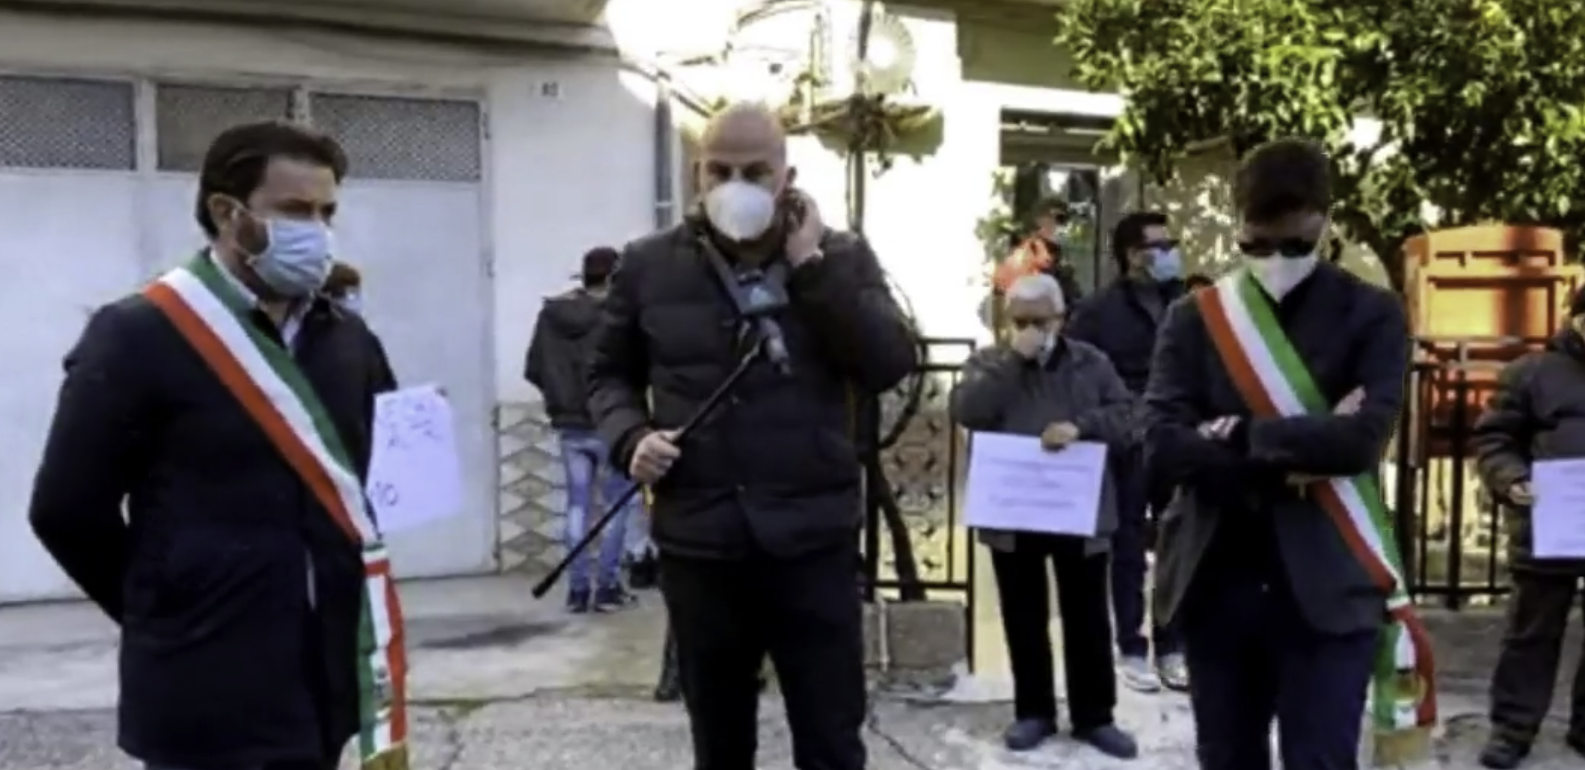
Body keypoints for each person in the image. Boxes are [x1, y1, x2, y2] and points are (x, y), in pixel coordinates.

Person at [28, 121, 406, 770]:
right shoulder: (137, 334)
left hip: (323, 684)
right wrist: (162, 607)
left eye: (326, 213)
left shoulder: (346, 339)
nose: (316, 231)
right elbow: (66, 510)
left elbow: (365, 482)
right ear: (228, 213)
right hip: (204, 686)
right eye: (295, 211)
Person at [586, 101, 917, 770]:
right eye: (720, 170)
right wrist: (630, 438)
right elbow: (605, 376)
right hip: (701, 543)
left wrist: (811, 266)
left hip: (812, 541)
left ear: (786, 176)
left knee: (831, 741)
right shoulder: (648, 264)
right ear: (697, 174)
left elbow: (888, 363)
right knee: (719, 742)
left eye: (755, 172)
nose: (735, 185)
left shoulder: (840, 256)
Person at [1145, 138, 1431, 770]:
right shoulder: (1195, 318)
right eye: (1258, 245)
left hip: (1330, 586)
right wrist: (1303, 446)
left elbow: (1361, 442)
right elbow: (1161, 447)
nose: (1276, 260)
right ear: (1239, 228)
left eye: (1296, 245)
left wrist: (1238, 434)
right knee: (1227, 760)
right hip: (1218, 582)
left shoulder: (1372, 314)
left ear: (1325, 224)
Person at [950, 273, 1140, 757]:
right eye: (1021, 322)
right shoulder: (989, 363)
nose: (1032, 330)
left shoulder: (1091, 363)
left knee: (1087, 617)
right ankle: (1033, 711)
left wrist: (1082, 427)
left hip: (1078, 510)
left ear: (1061, 318)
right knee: (1023, 614)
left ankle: (1094, 716)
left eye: (1041, 321)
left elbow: (1128, 417)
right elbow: (967, 410)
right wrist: (1014, 361)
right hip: (1014, 514)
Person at [1067, 211, 1187, 693]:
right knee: (1129, 545)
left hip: (1178, 438)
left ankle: (1173, 645)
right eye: (1160, 245)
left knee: (1178, 542)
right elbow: (1078, 373)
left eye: (1171, 244)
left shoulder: (1186, 303)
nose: (1170, 253)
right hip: (1127, 442)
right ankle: (1131, 646)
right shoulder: (1099, 311)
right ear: (1133, 254)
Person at [1470, 287, 1585, 768]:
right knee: (1531, 633)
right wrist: (1511, 478)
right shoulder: (1531, 373)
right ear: (1575, 317)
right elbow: (1494, 438)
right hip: (1549, 525)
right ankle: (1512, 730)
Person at [525, 246, 642, 613]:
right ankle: (606, 588)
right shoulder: (616, 317)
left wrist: (560, 400)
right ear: (614, 277)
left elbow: (534, 368)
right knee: (615, 507)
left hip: (570, 427)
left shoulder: (551, 315)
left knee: (577, 506)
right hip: (611, 422)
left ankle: (577, 591)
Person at [993, 196, 1085, 305]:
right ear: (1040, 220)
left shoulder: (1056, 258)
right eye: (1060, 219)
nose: (1065, 226)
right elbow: (1001, 299)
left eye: (1067, 221)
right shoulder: (1023, 258)